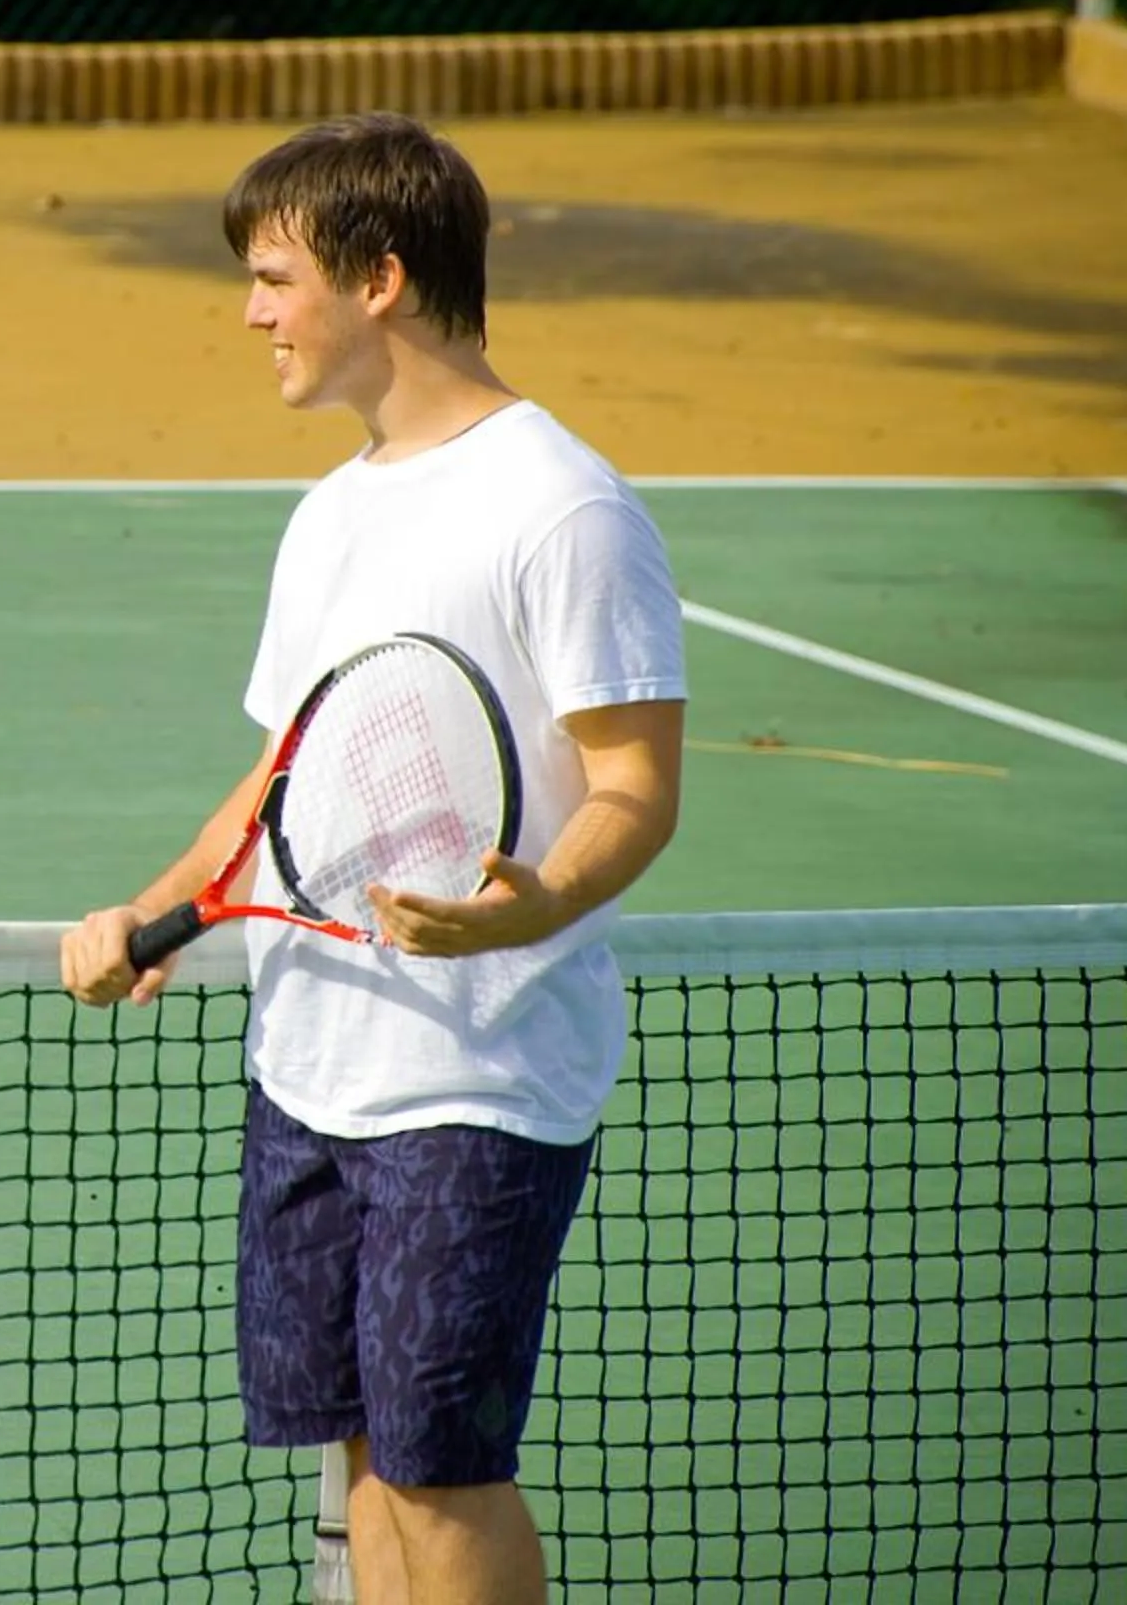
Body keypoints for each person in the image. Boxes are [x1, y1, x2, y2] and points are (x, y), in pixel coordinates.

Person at [59, 112, 686, 1605]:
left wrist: (533, 903)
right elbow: (285, 774)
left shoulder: (563, 505)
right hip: (309, 1059)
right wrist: (151, 912)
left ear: (382, 279)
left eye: (276, 278)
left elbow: (637, 787)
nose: (252, 312)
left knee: (438, 1466)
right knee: (357, 1456)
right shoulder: (334, 511)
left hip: (474, 1076)